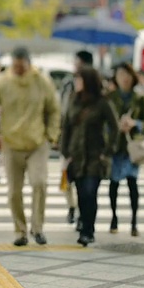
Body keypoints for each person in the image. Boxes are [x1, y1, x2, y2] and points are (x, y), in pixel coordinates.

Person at [0, 47, 61, 246]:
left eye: (21, 66)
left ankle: (38, 227)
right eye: (15, 66)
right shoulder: (1, 82)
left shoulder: (42, 81)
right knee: (14, 191)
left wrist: (51, 135)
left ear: (28, 64)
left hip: (37, 142)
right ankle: (20, 230)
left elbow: (54, 109)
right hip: (11, 144)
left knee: (39, 182)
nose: (18, 70)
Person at [61, 67, 118, 247]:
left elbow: (114, 127)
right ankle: (84, 224)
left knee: (89, 192)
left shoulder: (102, 102)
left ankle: (88, 230)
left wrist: (107, 151)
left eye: (80, 80)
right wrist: (65, 152)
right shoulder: (73, 100)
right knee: (80, 193)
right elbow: (66, 127)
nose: (77, 83)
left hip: (95, 156)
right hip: (76, 156)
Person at [106, 63, 144, 237]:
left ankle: (134, 221)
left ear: (132, 77)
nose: (124, 78)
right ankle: (114, 218)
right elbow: (104, 122)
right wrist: (115, 127)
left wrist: (135, 124)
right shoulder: (110, 97)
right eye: (120, 74)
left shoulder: (140, 97)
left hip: (133, 146)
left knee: (133, 184)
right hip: (116, 145)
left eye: (127, 74)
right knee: (114, 184)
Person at [60, 50, 93, 228]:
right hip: (69, 138)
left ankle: (82, 213)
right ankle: (71, 206)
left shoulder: (95, 87)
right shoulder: (68, 84)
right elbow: (62, 110)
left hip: (87, 143)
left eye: (78, 62)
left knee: (84, 182)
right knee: (66, 176)